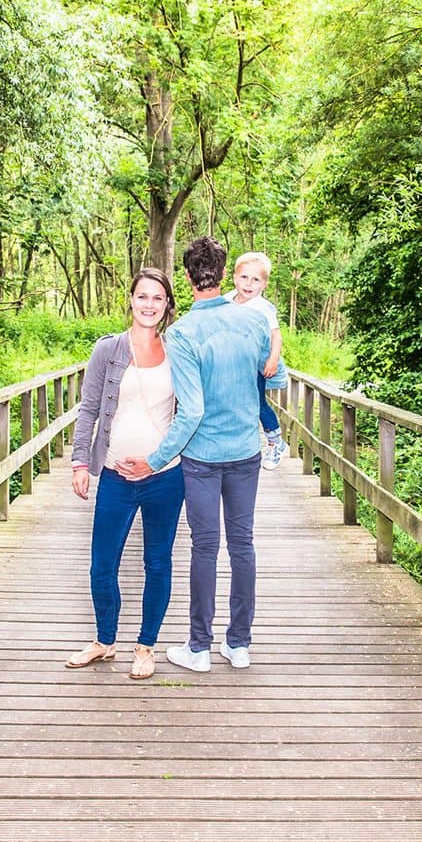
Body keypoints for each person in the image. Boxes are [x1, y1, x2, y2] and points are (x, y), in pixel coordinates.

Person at [115, 237, 282, 673]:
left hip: (203, 456)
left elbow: (192, 411)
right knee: (242, 543)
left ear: (188, 278)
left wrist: (155, 459)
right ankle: (239, 644)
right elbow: (275, 378)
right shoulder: (253, 322)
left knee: (205, 546)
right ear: (224, 275)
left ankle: (199, 648)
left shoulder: (183, 333)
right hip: (246, 450)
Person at [65, 268, 184, 681]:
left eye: (157, 298)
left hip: (165, 477)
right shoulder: (108, 350)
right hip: (115, 475)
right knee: (102, 565)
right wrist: (81, 462)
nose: (149, 304)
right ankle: (104, 641)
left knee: (157, 563)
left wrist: (157, 459)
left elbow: (190, 413)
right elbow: (89, 410)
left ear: (167, 305)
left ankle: (146, 647)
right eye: (142, 296)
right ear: (131, 300)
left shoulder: (178, 351)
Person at [230, 251, 287, 470]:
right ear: (235, 277)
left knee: (257, 403)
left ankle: (275, 441)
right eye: (244, 277)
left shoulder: (262, 307)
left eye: (256, 280)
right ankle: (239, 442)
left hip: (258, 365)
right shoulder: (227, 300)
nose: (248, 284)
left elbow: (276, 335)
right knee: (237, 401)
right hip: (237, 365)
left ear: (264, 284)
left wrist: (272, 359)